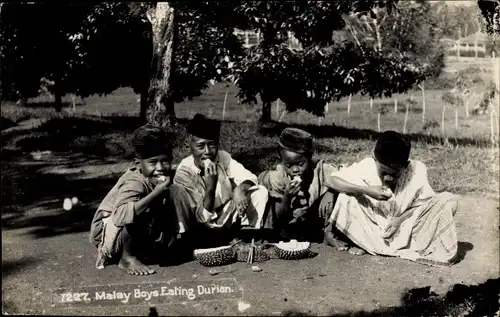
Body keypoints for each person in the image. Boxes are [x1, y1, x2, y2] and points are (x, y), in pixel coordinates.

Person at [324, 130, 459, 266]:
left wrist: (399, 220)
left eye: (394, 174)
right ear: (375, 159)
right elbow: (331, 180)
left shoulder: (416, 170)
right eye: (383, 172)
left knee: (448, 200)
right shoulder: (367, 166)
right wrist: (367, 190)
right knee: (347, 197)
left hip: (405, 227)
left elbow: (423, 204)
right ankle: (363, 242)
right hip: (372, 226)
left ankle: (375, 246)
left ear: (405, 166)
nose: (388, 178)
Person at [89, 124, 194, 275]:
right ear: (138, 164)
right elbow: (120, 216)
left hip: (133, 231)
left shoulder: (161, 177)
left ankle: (167, 245)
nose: (160, 168)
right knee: (142, 208)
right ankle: (127, 258)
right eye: (152, 162)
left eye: (165, 161)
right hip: (109, 236)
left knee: (176, 191)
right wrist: (155, 194)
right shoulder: (135, 181)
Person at [173, 114, 269, 244]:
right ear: (189, 145)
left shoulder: (222, 157)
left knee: (260, 191)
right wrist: (211, 186)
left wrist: (240, 189)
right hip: (201, 225)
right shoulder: (184, 171)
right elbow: (203, 217)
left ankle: (247, 235)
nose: (207, 151)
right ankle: (194, 243)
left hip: (224, 215)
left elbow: (249, 176)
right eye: (201, 146)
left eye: (212, 145)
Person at [258, 128, 340, 242]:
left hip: (314, 221)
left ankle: (328, 232)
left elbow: (345, 176)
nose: (295, 170)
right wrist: (287, 197)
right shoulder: (278, 177)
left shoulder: (321, 170)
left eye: (300, 164)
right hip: (287, 225)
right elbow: (279, 217)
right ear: (282, 161)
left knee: (341, 194)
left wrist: (332, 191)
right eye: (288, 166)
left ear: (310, 157)